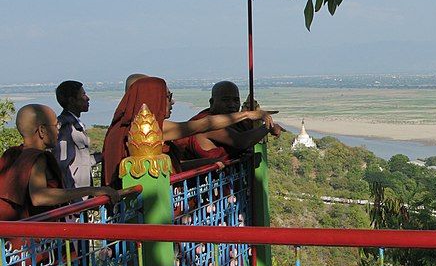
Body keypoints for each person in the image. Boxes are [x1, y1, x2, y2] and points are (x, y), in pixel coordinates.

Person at [102, 77, 276, 188]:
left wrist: (211, 163)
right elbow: (203, 125)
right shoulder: (147, 130)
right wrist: (247, 115)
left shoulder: (119, 128)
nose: (172, 101)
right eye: (167, 96)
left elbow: (173, 167)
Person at [0, 104, 120, 221]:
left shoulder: (12, 154)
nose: (58, 130)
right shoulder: (38, 158)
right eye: (56, 125)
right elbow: (39, 197)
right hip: (33, 234)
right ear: (42, 131)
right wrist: (92, 190)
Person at [175, 81, 283, 161]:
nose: (232, 105)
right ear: (212, 103)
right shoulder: (207, 123)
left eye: (236, 100)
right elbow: (240, 141)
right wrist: (268, 127)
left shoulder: (233, 122)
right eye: (225, 100)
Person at [53, 80, 102, 189]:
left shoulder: (76, 125)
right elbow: (63, 166)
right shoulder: (66, 128)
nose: (87, 98)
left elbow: (81, 162)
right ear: (72, 100)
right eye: (83, 94)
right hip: (76, 196)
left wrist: (102, 156)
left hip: (83, 193)